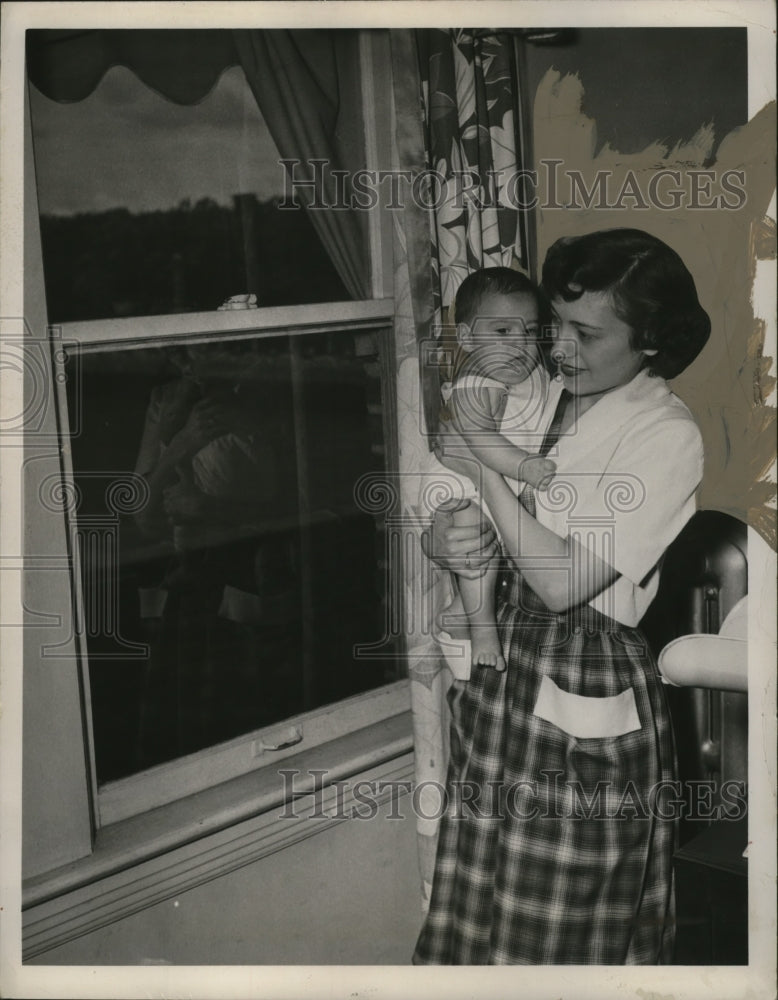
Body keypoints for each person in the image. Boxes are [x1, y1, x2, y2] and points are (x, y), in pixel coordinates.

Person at [413, 228, 711, 965]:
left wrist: (478, 459)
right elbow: (472, 515)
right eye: (556, 327)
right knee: (476, 912)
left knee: (560, 934)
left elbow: (560, 579)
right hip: (498, 680)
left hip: (586, 694)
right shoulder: (542, 398)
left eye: (585, 332)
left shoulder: (664, 434)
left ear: (648, 341)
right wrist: (441, 541)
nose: (559, 348)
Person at [434, 267, 556, 673]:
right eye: (503, 332)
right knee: (477, 543)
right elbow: (479, 439)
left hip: (491, 476)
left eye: (530, 332)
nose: (520, 345)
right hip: (461, 479)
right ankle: (482, 626)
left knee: (488, 549)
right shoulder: (476, 382)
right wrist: (523, 466)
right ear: (467, 339)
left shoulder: (525, 373)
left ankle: (457, 609)